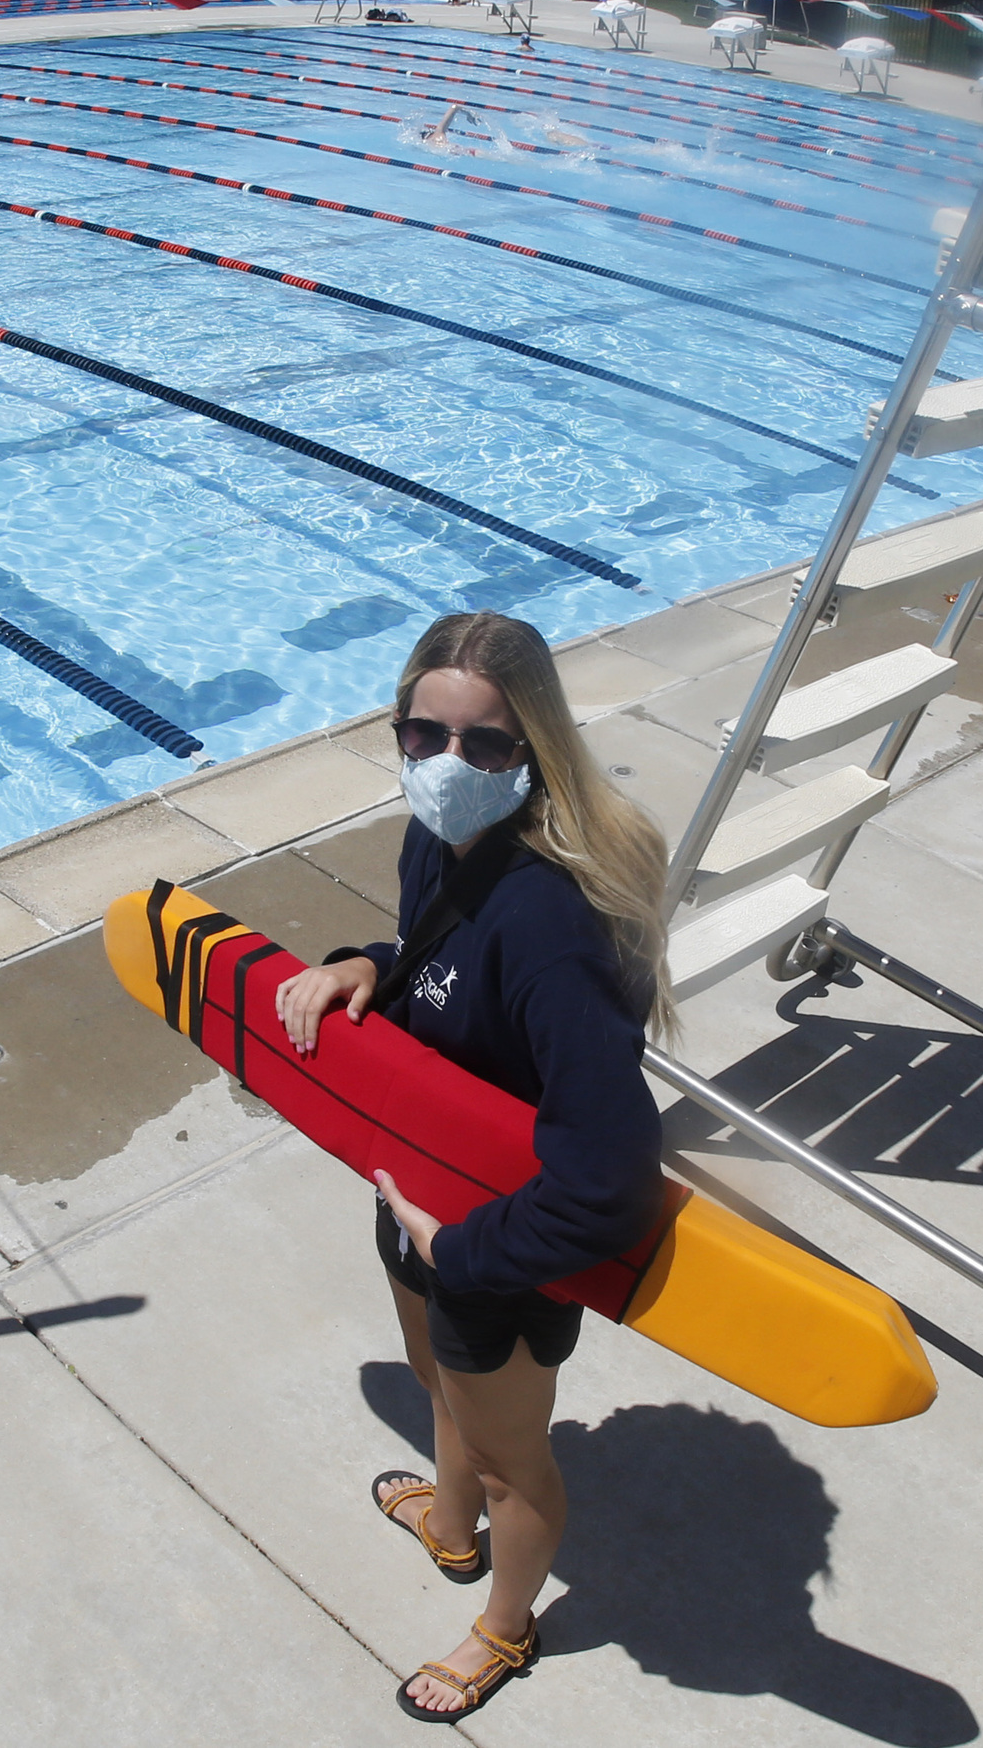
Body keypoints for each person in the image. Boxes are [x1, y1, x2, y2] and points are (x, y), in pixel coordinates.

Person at [271, 611, 675, 1723]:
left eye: (486, 746)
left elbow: (609, 1180)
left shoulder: (551, 921)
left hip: (506, 1240)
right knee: (435, 1383)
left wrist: (468, 1247)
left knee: (511, 1462)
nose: (449, 767)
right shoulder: (438, 841)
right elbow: (447, 967)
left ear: (534, 751)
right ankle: (449, 1531)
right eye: (424, 737)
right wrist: (368, 963)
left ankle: (504, 1624)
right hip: (417, 1191)